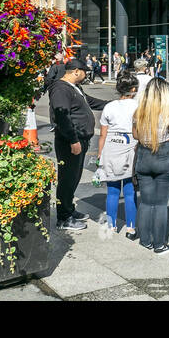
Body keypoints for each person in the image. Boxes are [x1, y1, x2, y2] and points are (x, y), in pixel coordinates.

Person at [47, 58, 108, 232]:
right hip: (69, 142)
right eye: (84, 73)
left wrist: (114, 104)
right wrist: (73, 140)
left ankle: (69, 210)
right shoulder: (60, 89)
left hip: (80, 140)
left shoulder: (74, 88)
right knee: (67, 179)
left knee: (74, 177)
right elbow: (63, 116)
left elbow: (91, 102)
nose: (86, 76)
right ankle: (63, 218)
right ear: (76, 72)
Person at [132, 77, 169, 254]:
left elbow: (136, 135)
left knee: (145, 202)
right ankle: (159, 244)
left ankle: (145, 240)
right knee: (160, 203)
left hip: (144, 156)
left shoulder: (139, 111)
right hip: (163, 154)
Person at [96, 73, 139, 236]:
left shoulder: (109, 106)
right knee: (130, 191)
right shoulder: (137, 106)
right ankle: (131, 228)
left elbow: (102, 134)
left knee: (112, 191)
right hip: (130, 147)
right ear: (133, 89)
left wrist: (100, 154)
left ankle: (111, 226)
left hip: (110, 147)